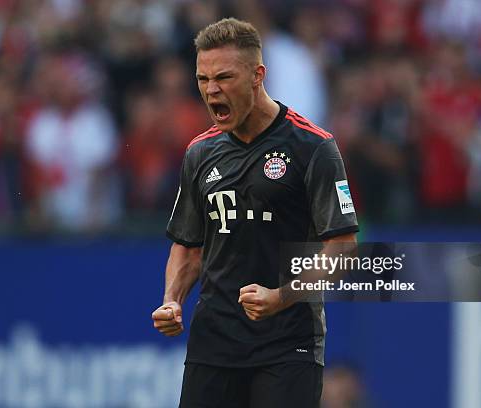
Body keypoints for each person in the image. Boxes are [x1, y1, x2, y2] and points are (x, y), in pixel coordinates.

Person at [151, 18, 358, 407]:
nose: (212, 90)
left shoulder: (313, 147)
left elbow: (343, 248)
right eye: (203, 79)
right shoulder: (200, 153)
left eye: (224, 77)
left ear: (257, 75)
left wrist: (281, 296)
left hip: (287, 345)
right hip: (214, 342)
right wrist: (173, 298)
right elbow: (188, 246)